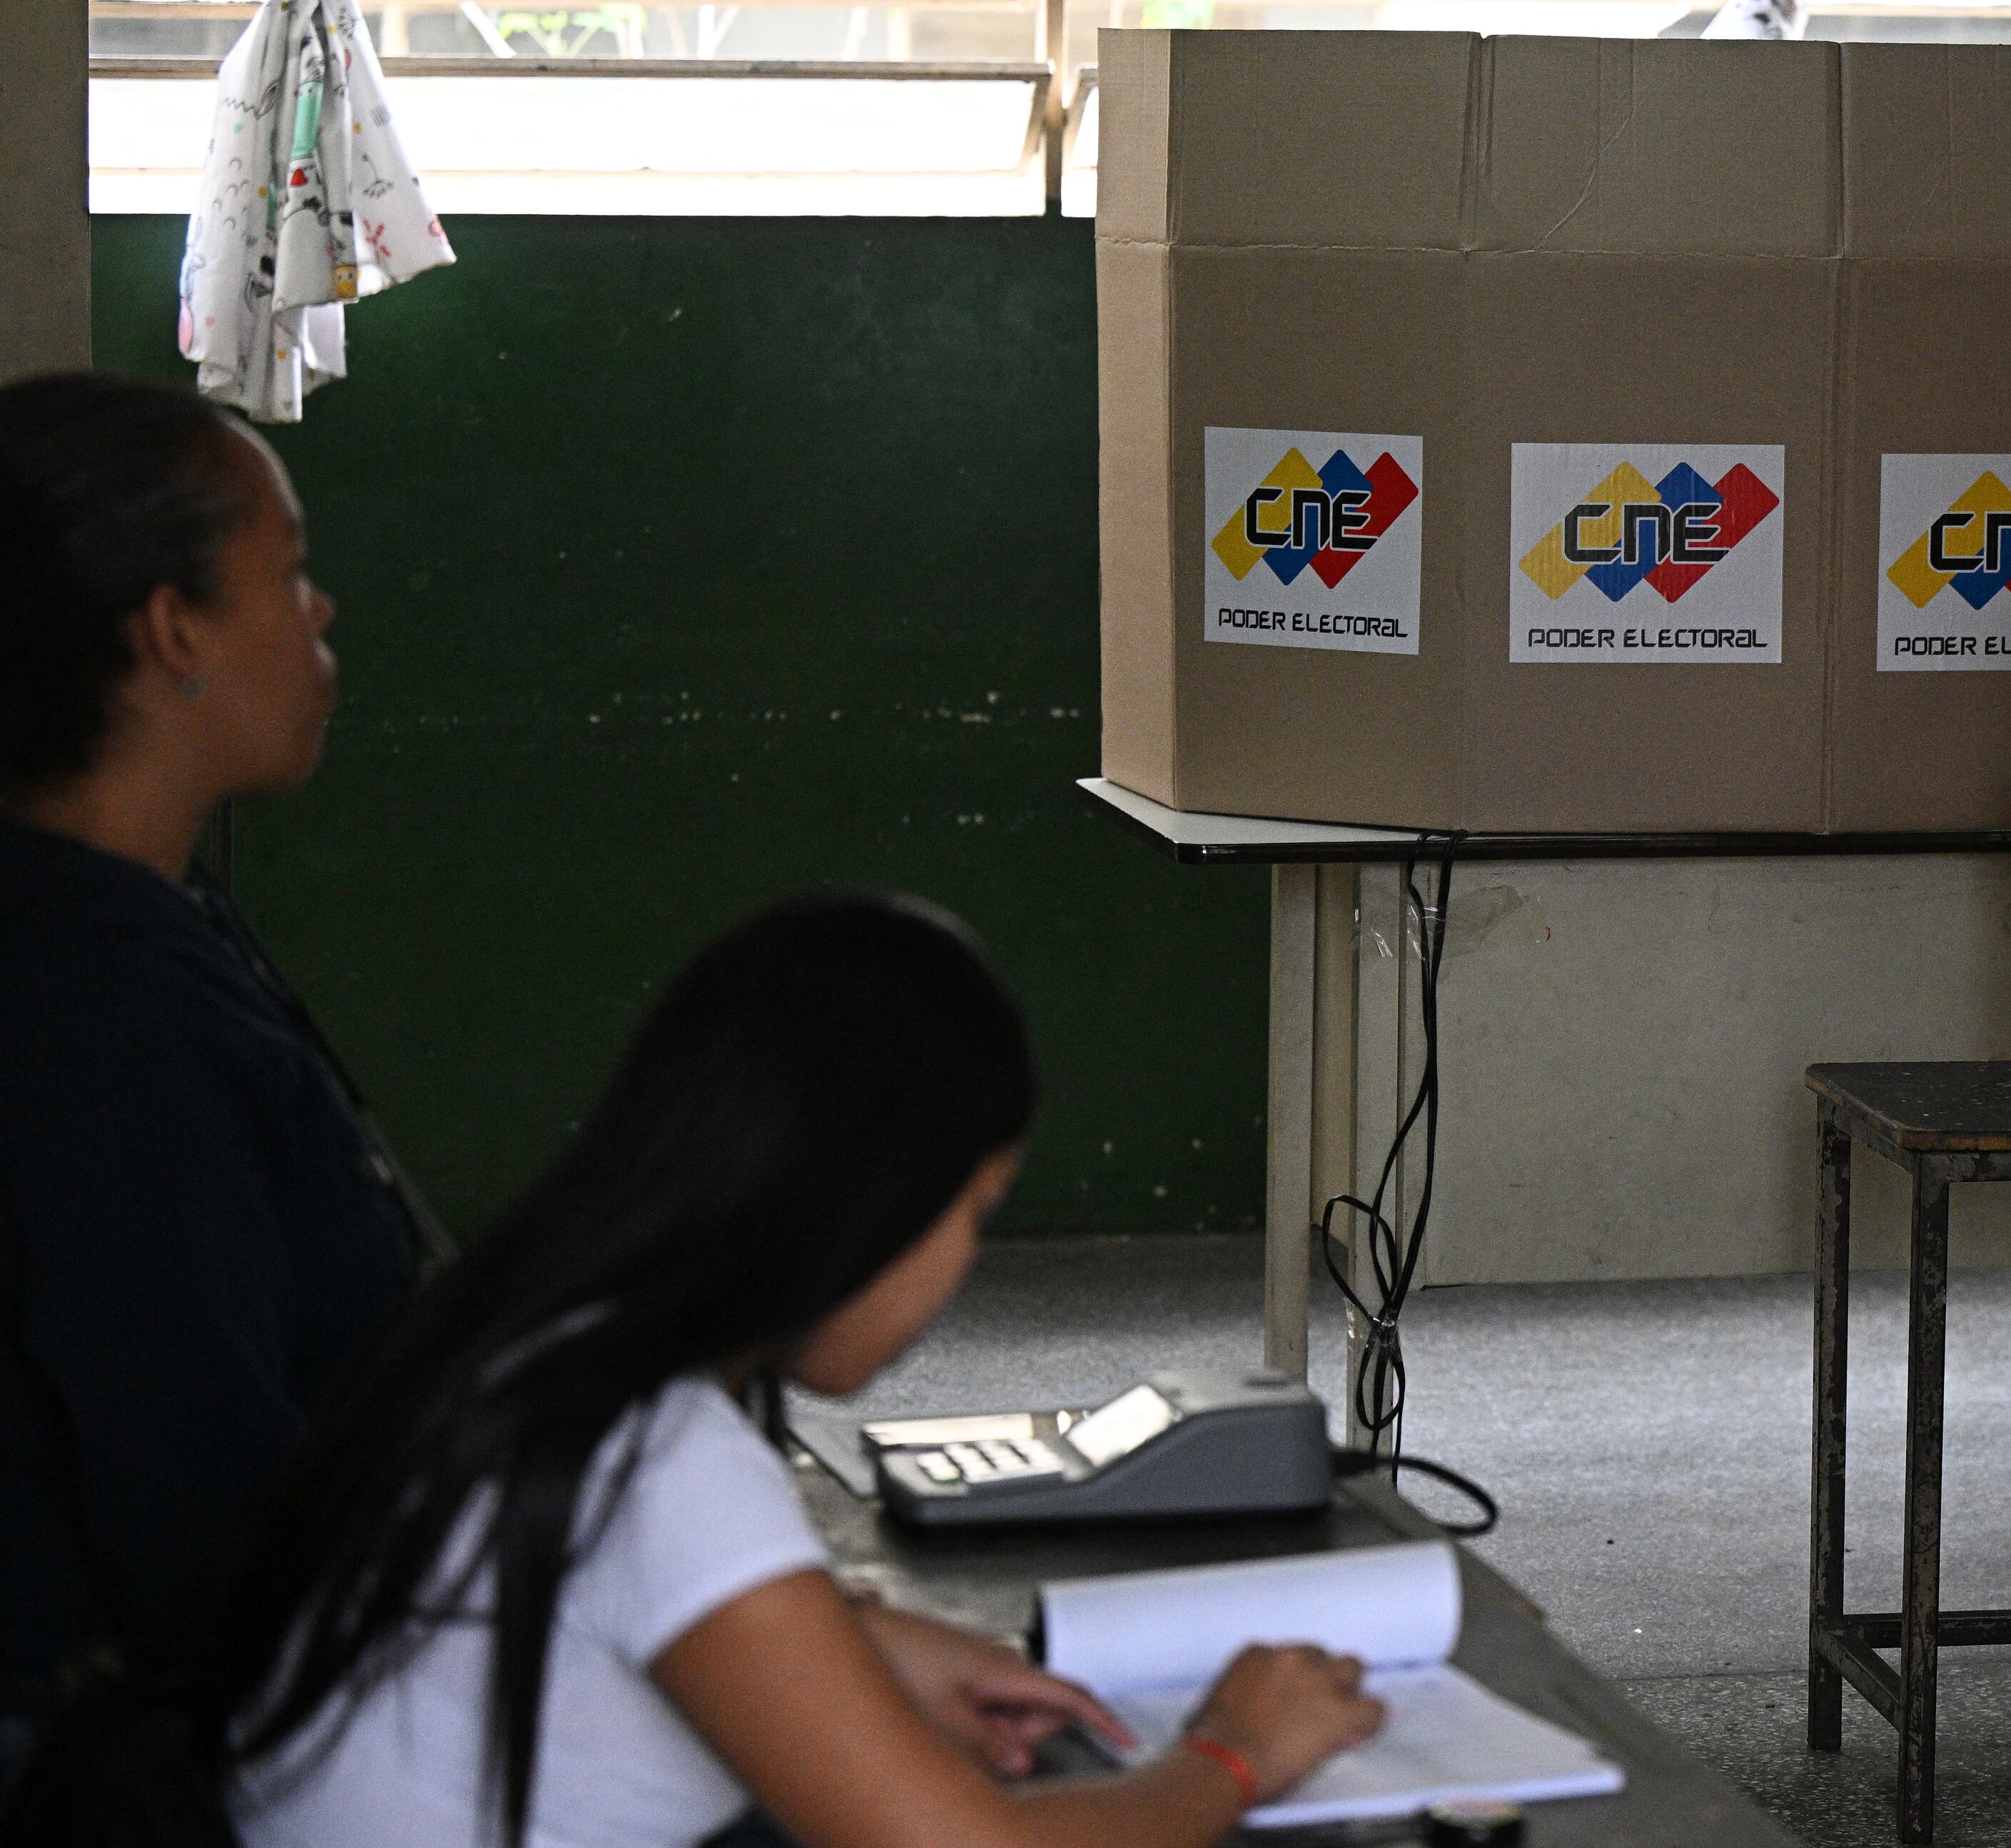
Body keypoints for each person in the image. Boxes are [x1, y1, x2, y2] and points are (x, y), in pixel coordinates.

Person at [218, 892, 1383, 1847]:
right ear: (867, 1197)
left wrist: (851, 1643)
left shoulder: (529, 1338)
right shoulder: (664, 1456)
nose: (966, 1259)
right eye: (973, 1208)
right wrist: (1232, 1751)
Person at [0, 373, 435, 1802]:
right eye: (288, 572)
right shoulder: (104, 1014)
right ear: (171, 630)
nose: (320, 612)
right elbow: (203, 1523)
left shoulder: (137, 918)